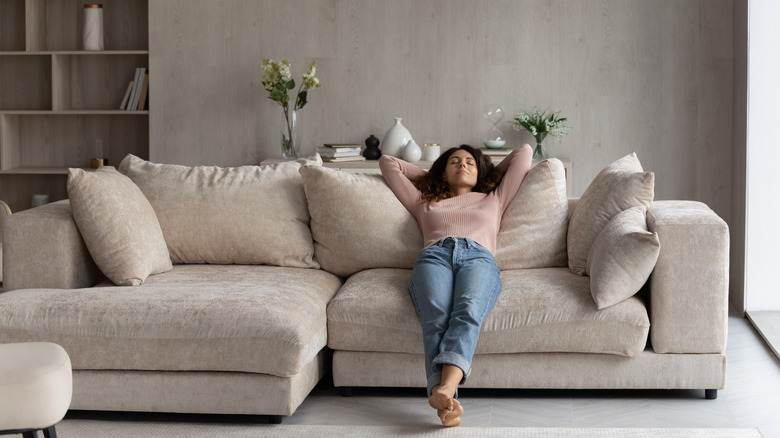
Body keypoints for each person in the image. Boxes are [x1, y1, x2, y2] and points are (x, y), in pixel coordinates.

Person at [379, 143, 533, 427]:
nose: (462, 165)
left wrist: (487, 173)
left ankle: (443, 391)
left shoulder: (494, 198)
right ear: (442, 171)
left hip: (478, 258)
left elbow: (523, 152)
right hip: (434, 256)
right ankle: (446, 401)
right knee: (436, 317)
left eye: (469, 163)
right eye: (454, 162)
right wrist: (432, 176)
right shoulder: (424, 201)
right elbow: (388, 162)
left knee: (468, 309)